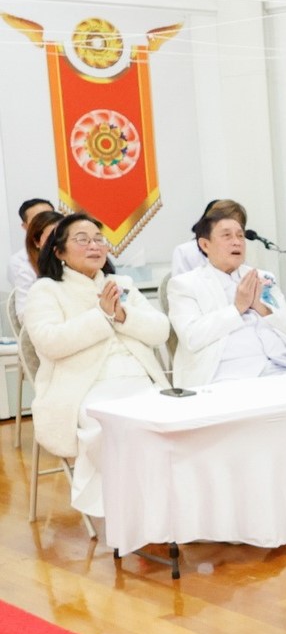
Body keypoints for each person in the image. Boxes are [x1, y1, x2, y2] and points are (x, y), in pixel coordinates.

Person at [21, 212, 169, 525]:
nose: (94, 245)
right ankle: (133, 514)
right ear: (58, 251)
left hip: (140, 379)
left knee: (172, 424)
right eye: (82, 239)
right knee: (112, 429)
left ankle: (166, 506)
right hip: (86, 388)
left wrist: (123, 317)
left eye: (99, 239)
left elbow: (160, 331)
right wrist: (102, 316)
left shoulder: (122, 284)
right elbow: (50, 342)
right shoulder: (46, 290)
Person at [167, 208, 286, 387]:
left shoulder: (262, 277)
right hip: (229, 376)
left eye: (240, 236)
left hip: (284, 368)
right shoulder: (185, 284)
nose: (237, 242)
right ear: (204, 245)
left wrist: (261, 308)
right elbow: (192, 338)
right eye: (227, 236)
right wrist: (237, 309)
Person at [170, 199, 246, 277]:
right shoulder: (184, 251)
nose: (236, 242)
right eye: (226, 234)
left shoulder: (238, 249)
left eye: (240, 234)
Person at [9, 197, 54, 296]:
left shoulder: (73, 249)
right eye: (38, 220)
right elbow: (24, 306)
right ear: (25, 227)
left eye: (50, 217)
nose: (47, 223)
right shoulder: (19, 263)